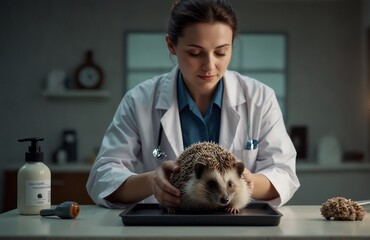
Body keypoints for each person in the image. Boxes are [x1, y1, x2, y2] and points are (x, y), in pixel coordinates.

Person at [86, 0, 299, 209]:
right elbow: (102, 177)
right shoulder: (139, 100)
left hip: (236, 228)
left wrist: (246, 181)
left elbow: (284, 173)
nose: (209, 66)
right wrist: (152, 182)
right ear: (171, 45)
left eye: (221, 52)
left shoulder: (260, 98)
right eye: (195, 53)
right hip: (167, 227)